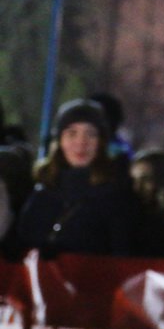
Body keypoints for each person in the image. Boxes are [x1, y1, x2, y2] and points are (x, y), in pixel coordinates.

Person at [16, 99, 137, 257]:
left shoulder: (117, 197)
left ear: (101, 142)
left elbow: (122, 255)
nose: (81, 142)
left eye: (90, 134)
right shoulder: (41, 193)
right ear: (60, 141)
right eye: (72, 133)